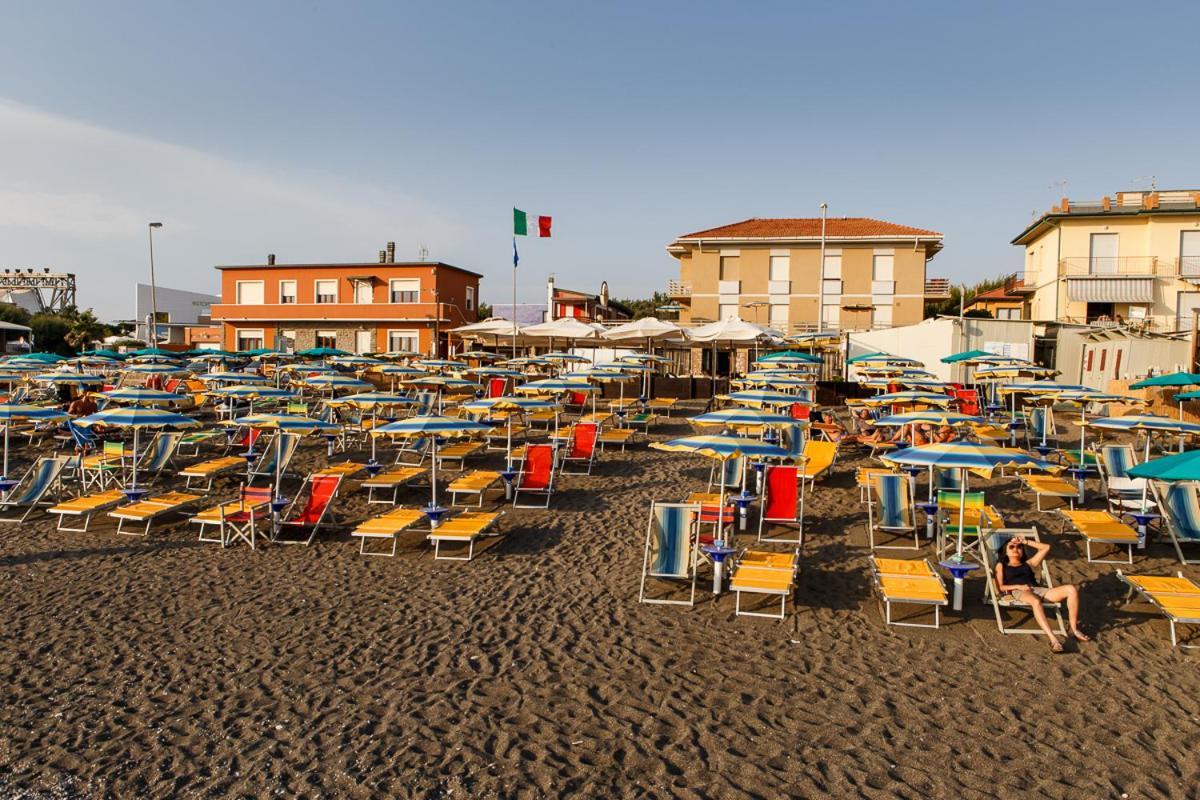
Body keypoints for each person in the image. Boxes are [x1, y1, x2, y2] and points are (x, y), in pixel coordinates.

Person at [995, 534, 1090, 652]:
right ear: (1005, 551)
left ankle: (1074, 629)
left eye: (1019, 547)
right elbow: (1000, 587)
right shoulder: (1001, 566)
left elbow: (1046, 547)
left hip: (1037, 589)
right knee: (1035, 601)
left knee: (1071, 589)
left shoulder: (1028, 564)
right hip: (1018, 591)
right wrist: (1019, 586)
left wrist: (1024, 541)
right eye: (1011, 547)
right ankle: (1053, 640)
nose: (1016, 549)